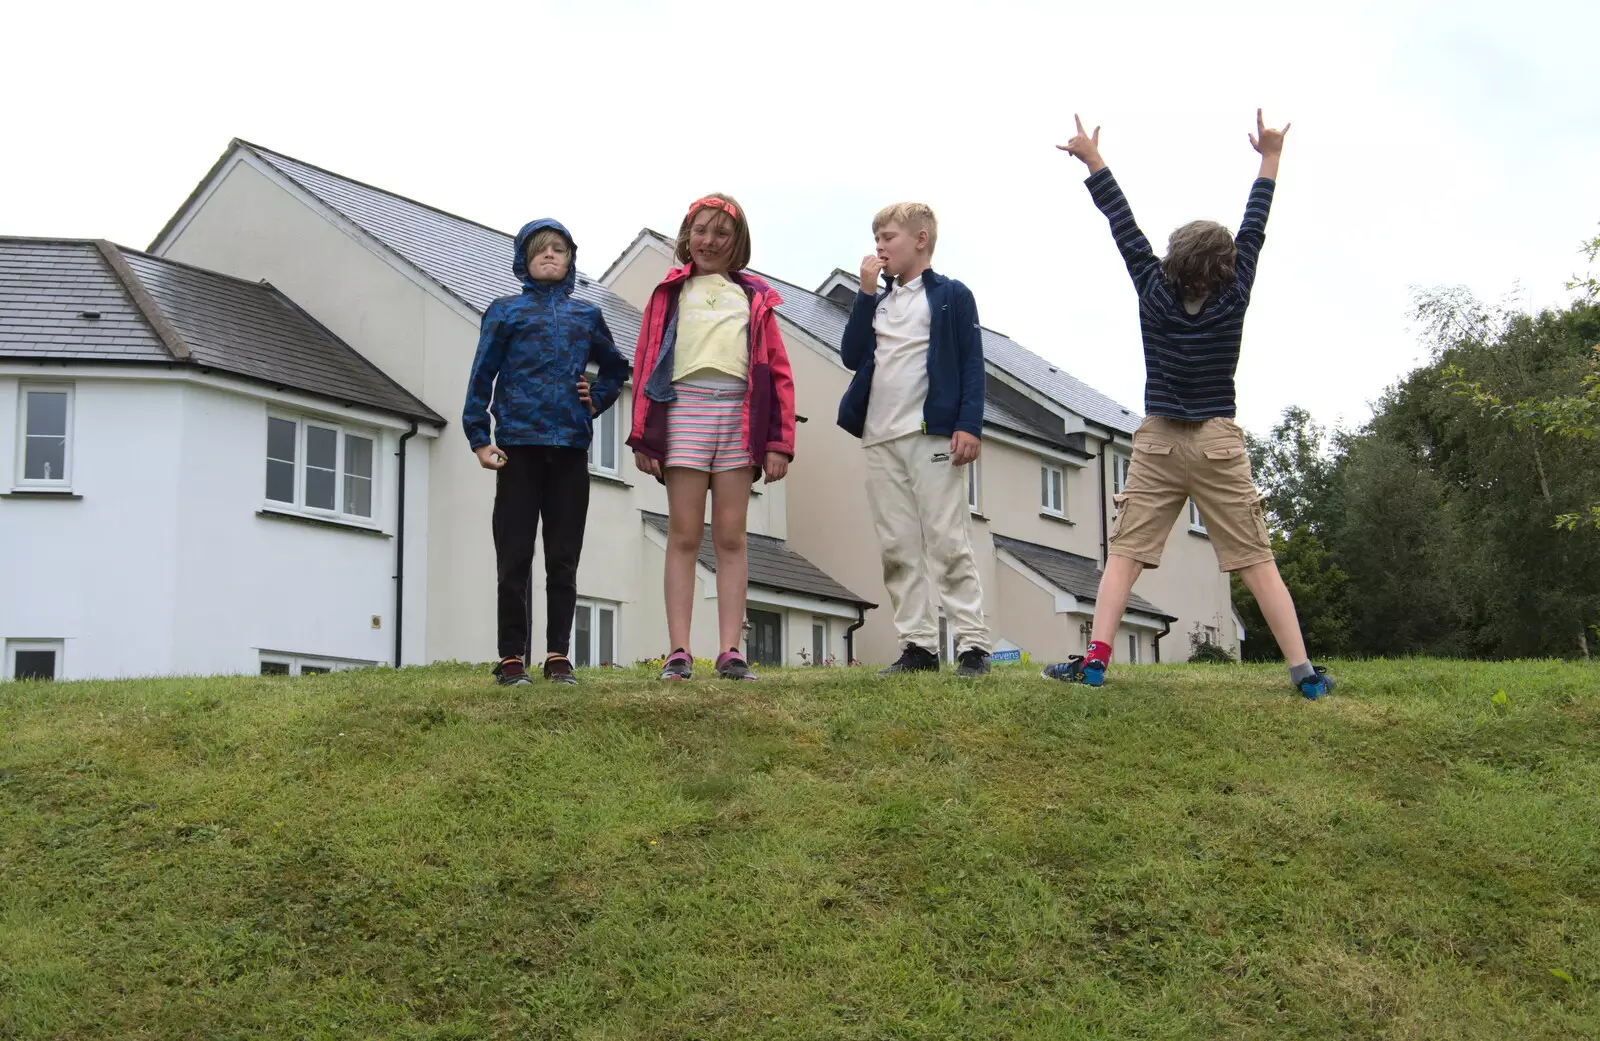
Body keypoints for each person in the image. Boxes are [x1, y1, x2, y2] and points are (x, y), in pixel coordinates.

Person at [1042, 111, 1335, 699]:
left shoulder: (1152, 288)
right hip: (1218, 443)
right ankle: (1304, 675)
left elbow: (1122, 225)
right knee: (1256, 560)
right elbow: (1256, 225)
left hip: (1158, 443)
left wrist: (1094, 162)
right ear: (1227, 265)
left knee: (1123, 553)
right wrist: (1269, 158)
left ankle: (1095, 662)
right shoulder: (1236, 293)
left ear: (1173, 259)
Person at [626, 194, 796, 681]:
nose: (709, 240)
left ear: (737, 241)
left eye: (721, 233)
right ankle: (678, 650)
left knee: (730, 536)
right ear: (686, 234)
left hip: (739, 418)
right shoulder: (669, 293)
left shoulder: (755, 297)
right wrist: (642, 436)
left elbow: (778, 372)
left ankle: (729, 650)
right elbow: (643, 363)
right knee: (682, 534)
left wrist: (778, 442)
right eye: (701, 230)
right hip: (684, 412)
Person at [463, 219, 629, 686]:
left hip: (570, 449)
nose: (550, 255)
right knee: (514, 555)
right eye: (540, 249)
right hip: (517, 447)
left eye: (559, 249)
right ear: (523, 259)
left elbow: (617, 367)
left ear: (571, 259)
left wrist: (594, 399)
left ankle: (559, 656)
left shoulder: (587, 317)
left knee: (563, 556)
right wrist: (479, 437)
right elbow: (481, 375)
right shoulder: (504, 313)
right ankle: (511, 657)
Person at [837, 202, 992, 677]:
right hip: (880, 436)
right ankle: (919, 647)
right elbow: (851, 354)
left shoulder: (950, 296)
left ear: (920, 240)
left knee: (947, 539)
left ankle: (971, 645)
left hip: (932, 435)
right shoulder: (879, 302)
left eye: (888, 237)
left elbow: (971, 362)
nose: (879, 246)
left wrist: (969, 424)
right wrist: (864, 296)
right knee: (897, 545)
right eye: (876, 238)